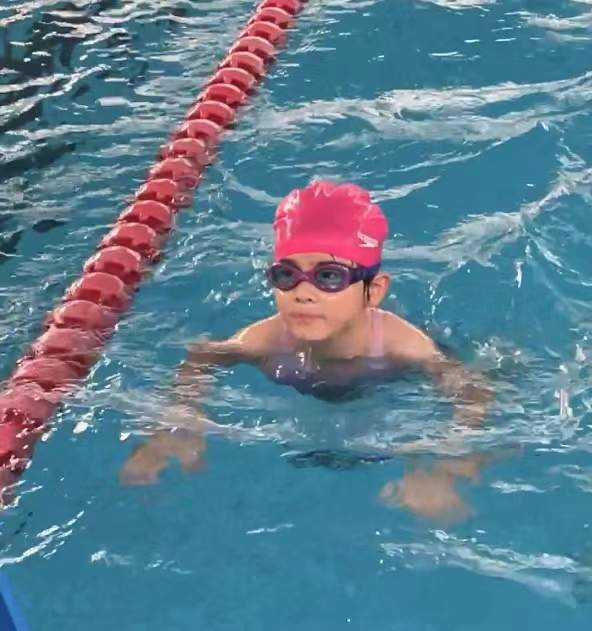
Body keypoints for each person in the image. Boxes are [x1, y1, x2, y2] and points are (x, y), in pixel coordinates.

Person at [120, 180, 493, 522]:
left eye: (328, 276)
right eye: (286, 275)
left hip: (389, 389)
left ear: (374, 290)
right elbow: (202, 357)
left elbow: (473, 393)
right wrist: (180, 417)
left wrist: (446, 464)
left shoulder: (402, 344)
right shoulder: (267, 339)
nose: (303, 292)